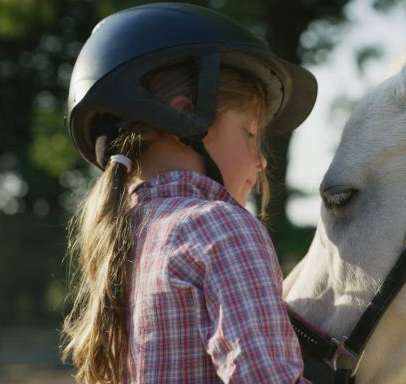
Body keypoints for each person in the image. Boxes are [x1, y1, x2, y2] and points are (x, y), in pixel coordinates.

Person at [60, 3, 317, 383]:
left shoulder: (124, 240)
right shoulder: (222, 229)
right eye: (249, 132)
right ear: (185, 121)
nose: (261, 161)